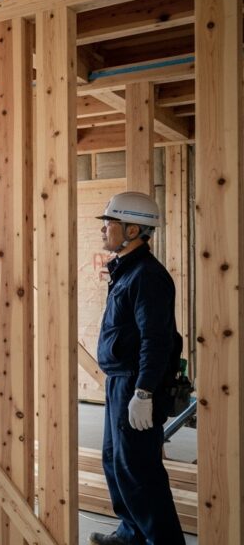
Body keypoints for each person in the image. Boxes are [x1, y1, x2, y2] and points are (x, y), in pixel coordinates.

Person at [91, 191, 185, 545]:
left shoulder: (147, 275)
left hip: (135, 385)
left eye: (110, 223)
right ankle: (130, 534)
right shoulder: (126, 271)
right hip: (120, 383)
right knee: (116, 462)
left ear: (133, 230)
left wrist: (144, 391)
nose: (104, 230)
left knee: (140, 471)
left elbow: (156, 339)